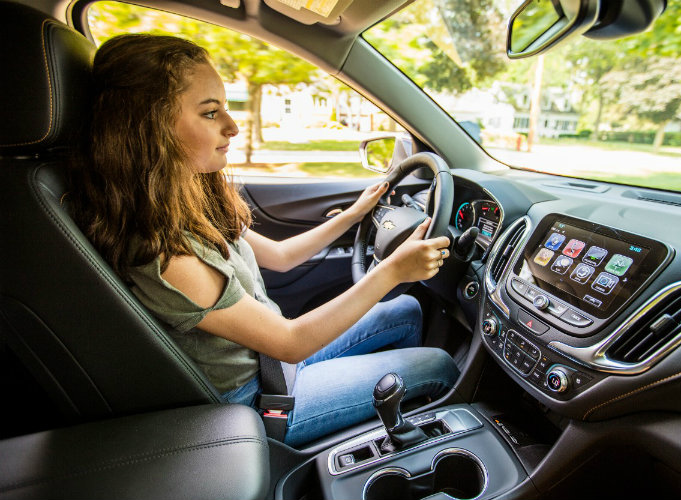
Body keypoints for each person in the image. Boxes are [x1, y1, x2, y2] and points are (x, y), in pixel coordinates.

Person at [69, 34, 459, 447]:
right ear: (151, 129)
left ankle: (387, 422)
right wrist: (394, 270)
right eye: (210, 113)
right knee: (437, 364)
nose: (232, 126)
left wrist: (353, 215)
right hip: (261, 397)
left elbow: (282, 256)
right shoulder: (166, 255)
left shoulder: (188, 202)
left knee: (407, 310)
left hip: (271, 359)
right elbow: (290, 343)